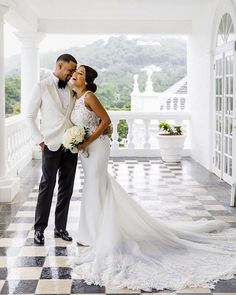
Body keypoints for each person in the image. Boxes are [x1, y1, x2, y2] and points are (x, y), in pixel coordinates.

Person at [70, 65, 236, 291]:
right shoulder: (76, 97)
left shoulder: (89, 96)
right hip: (86, 151)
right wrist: (77, 139)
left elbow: (106, 121)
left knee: (96, 185)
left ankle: (100, 234)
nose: (75, 75)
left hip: (96, 148)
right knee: (92, 187)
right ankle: (91, 231)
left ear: (87, 81)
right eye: (75, 73)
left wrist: (87, 141)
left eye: (79, 73)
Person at [26, 54, 78, 245]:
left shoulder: (73, 87)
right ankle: (39, 229)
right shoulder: (42, 86)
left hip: (71, 145)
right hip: (51, 144)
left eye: (74, 70)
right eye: (70, 69)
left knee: (67, 187)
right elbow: (29, 115)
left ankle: (60, 228)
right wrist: (40, 140)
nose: (72, 73)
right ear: (59, 65)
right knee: (47, 186)